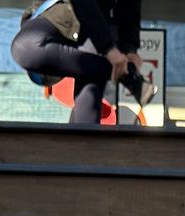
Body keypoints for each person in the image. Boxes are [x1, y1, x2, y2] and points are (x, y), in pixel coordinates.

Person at [11, 0, 150, 125]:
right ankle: (127, 76)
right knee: (26, 48)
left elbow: (130, 6)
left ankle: (125, 74)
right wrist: (110, 50)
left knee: (88, 103)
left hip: (98, 28)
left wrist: (130, 48)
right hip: (63, 16)